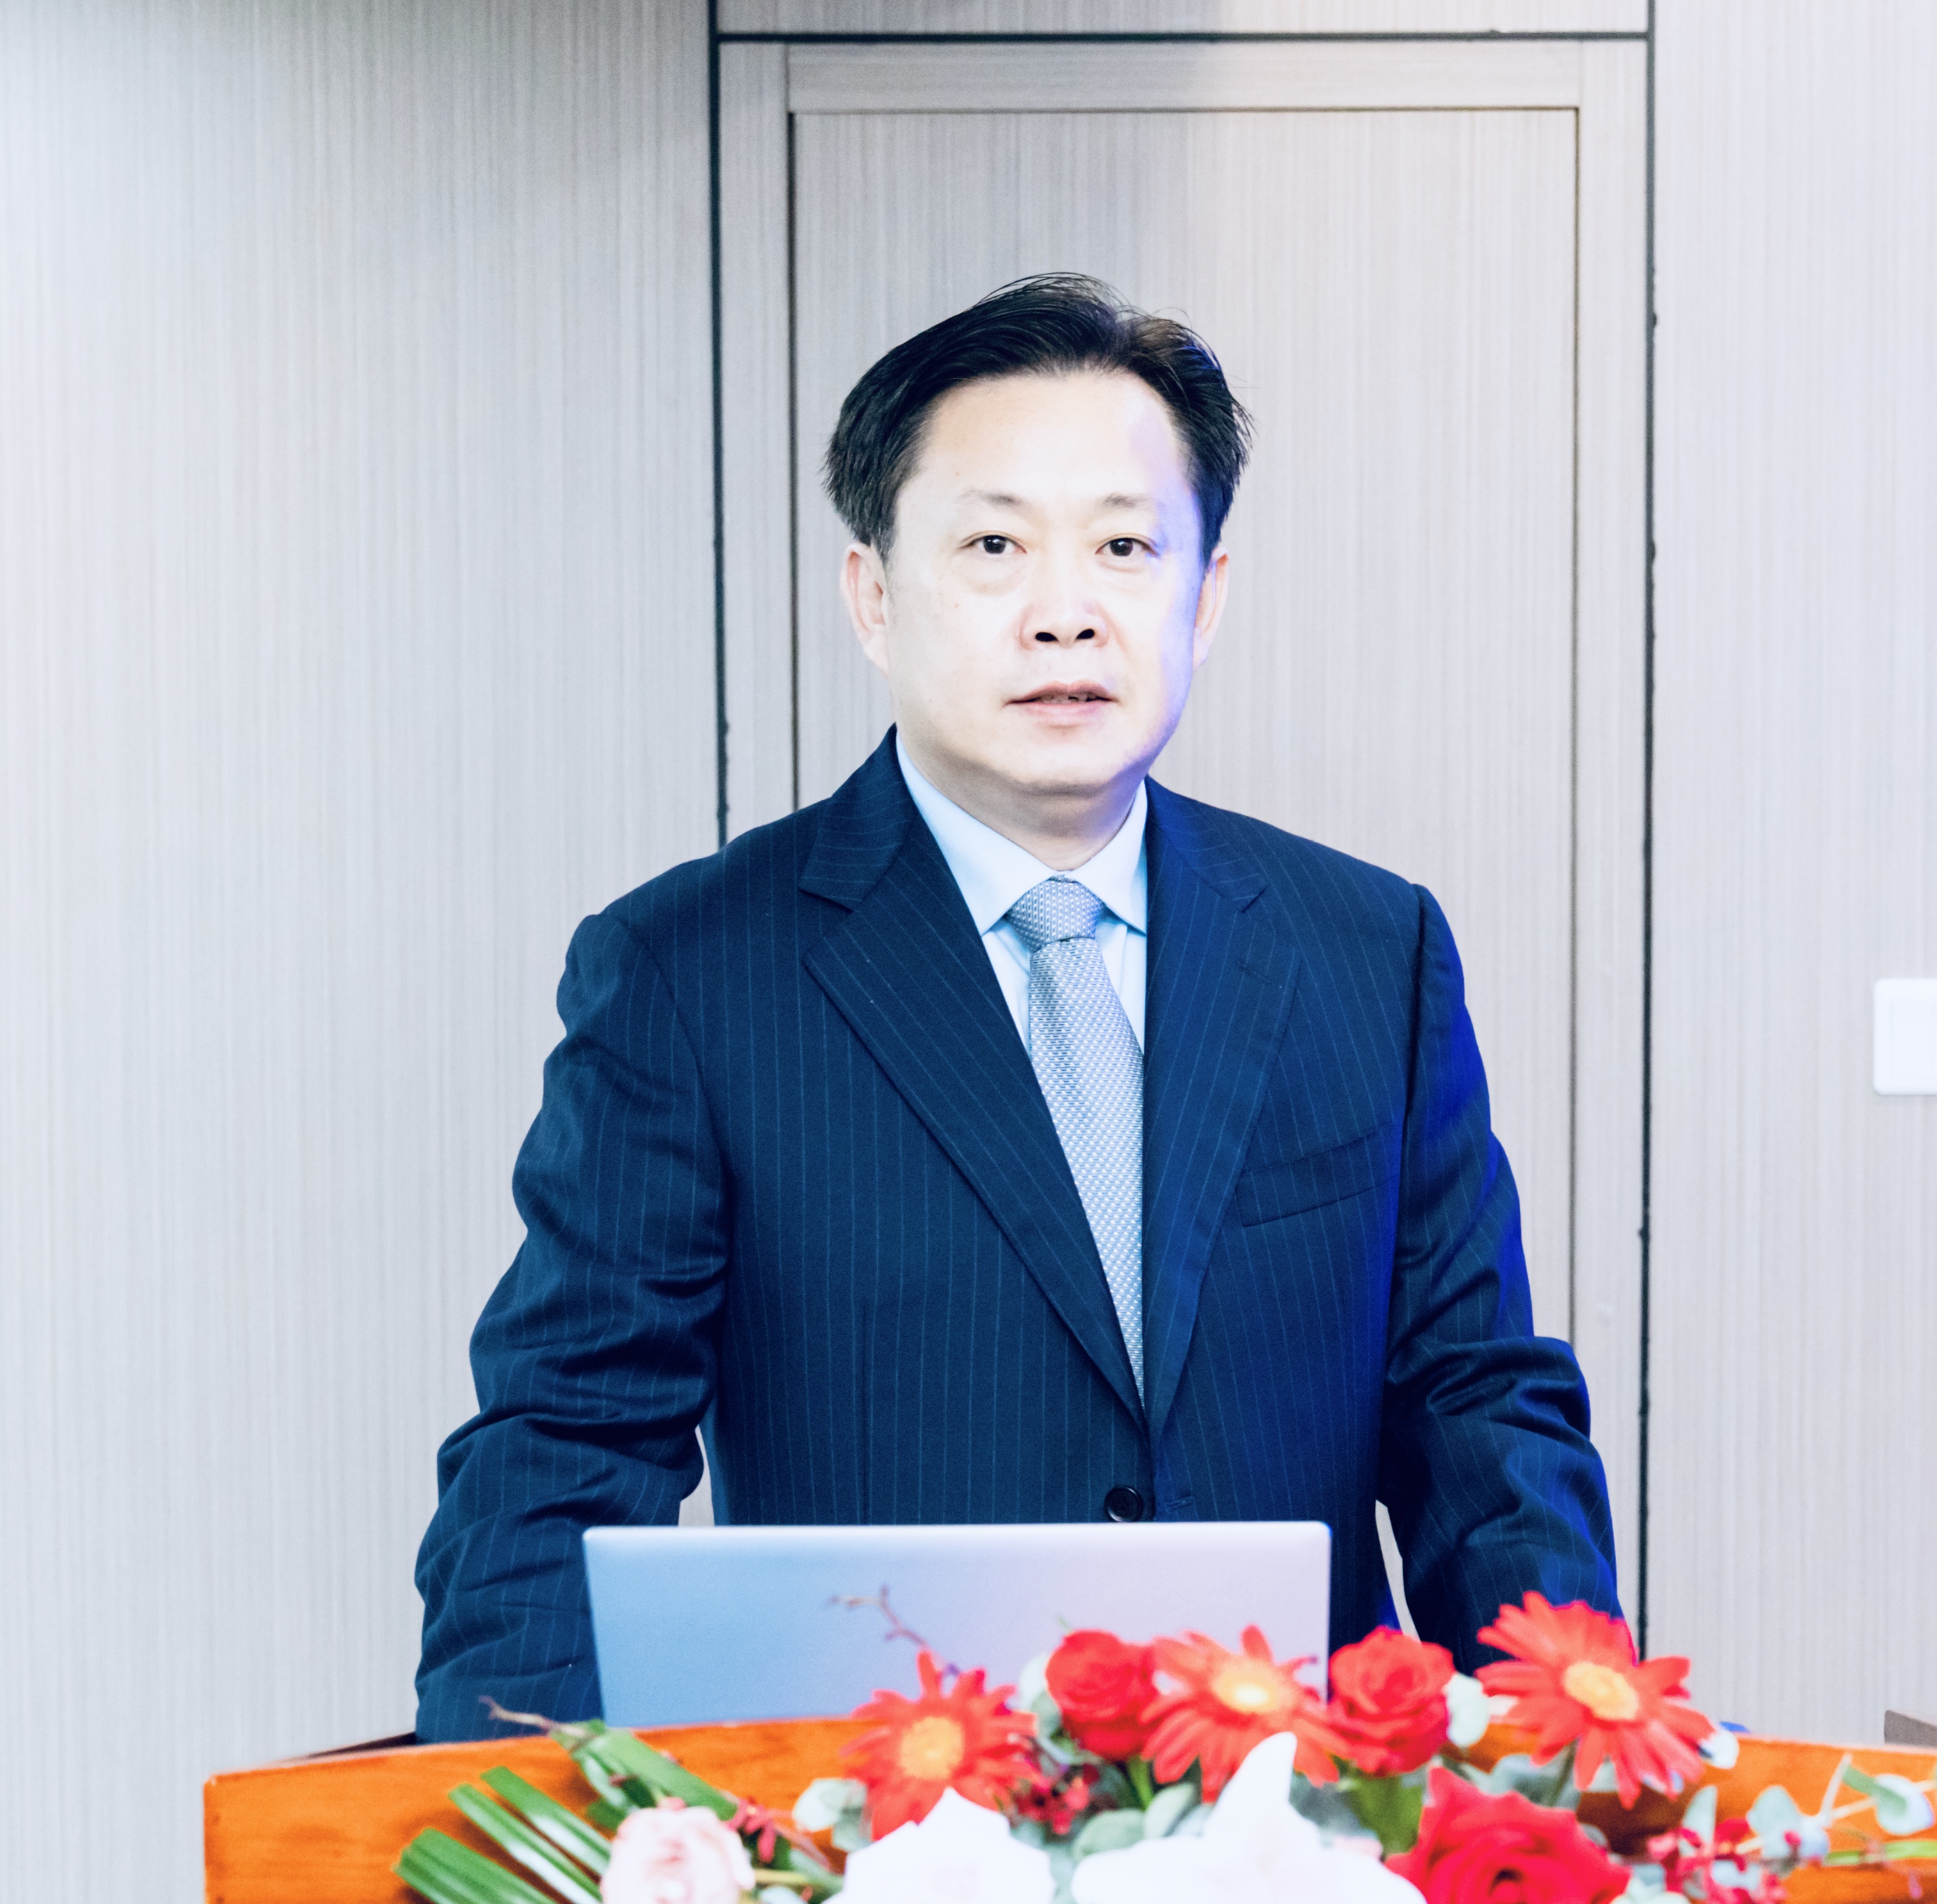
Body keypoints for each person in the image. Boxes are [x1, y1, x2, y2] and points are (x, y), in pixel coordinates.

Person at [414, 273, 1617, 1739]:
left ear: (1204, 597)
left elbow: (1474, 1406)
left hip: (1299, 1823)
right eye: (993, 546)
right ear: (874, 595)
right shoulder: (690, 974)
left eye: (1123, 547)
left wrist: (1581, 1756)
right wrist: (506, 1813)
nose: (1065, 615)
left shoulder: (1367, 950)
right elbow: (565, 1442)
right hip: (877, 1820)